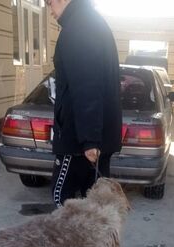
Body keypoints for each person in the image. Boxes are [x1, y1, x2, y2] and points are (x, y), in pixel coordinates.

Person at [46, 0, 122, 207]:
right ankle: (90, 241)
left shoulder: (79, 28)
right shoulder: (91, 23)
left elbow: (87, 86)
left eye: (48, 2)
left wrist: (89, 141)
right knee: (95, 207)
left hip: (78, 141)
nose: (49, 9)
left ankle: (70, 241)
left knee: (63, 200)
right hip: (91, 137)